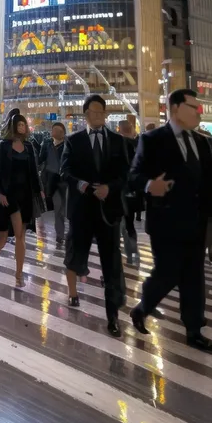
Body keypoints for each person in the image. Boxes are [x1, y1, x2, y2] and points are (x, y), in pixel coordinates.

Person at [129, 88, 212, 352]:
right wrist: (150, 185)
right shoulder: (152, 139)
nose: (198, 112)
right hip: (166, 222)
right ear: (175, 108)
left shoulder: (202, 143)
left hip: (197, 222)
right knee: (168, 273)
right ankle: (142, 308)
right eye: (193, 106)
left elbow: (211, 183)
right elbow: (134, 175)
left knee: (194, 278)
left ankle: (194, 330)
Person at [60, 94, 129, 337]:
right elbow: (65, 171)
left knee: (111, 264)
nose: (98, 116)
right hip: (82, 211)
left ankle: (113, 317)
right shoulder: (74, 141)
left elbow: (125, 174)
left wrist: (110, 188)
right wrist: (84, 186)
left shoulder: (118, 141)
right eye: (94, 112)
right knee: (74, 254)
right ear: (86, 114)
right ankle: (72, 292)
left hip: (109, 213)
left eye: (102, 112)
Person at [0, 114, 45, 288]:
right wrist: (1, 192)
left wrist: (39, 189)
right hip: (7, 195)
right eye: (18, 125)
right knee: (3, 238)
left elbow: (34, 170)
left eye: (23, 125)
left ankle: (18, 275)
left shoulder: (28, 146)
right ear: (13, 127)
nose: (21, 128)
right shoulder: (2, 146)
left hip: (24, 195)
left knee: (20, 235)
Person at [39, 122, 67, 246]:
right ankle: (60, 235)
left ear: (63, 133)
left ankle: (74, 233)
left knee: (68, 211)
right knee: (58, 210)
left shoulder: (68, 145)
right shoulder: (47, 144)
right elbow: (40, 159)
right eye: (54, 130)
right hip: (53, 182)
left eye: (59, 131)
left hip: (67, 182)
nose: (55, 133)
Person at [119, 119, 141, 264]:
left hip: (120, 191)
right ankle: (133, 249)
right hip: (134, 191)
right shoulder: (139, 145)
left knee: (121, 222)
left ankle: (130, 249)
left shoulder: (118, 146)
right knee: (129, 221)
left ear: (120, 130)